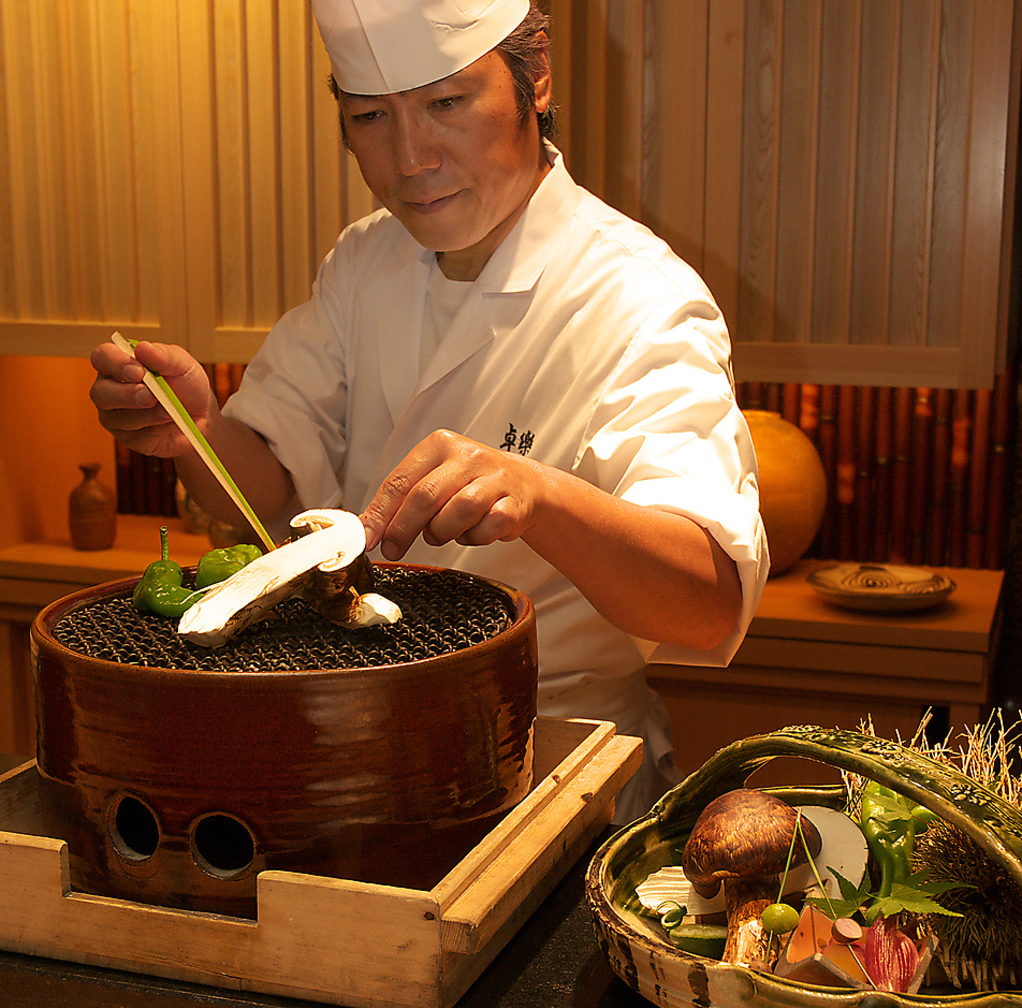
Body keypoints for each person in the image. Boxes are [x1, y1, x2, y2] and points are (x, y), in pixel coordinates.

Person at [89, 0, 769, 823]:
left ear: (536, 76)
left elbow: (707, 604)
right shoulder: (366, 261)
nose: (410, 159)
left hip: (551, 771)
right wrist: (194, 431)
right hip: (346, 750)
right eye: (371, 116)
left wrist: (540, 495)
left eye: (446, 103)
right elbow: (275, 504)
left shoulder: (639, 299)